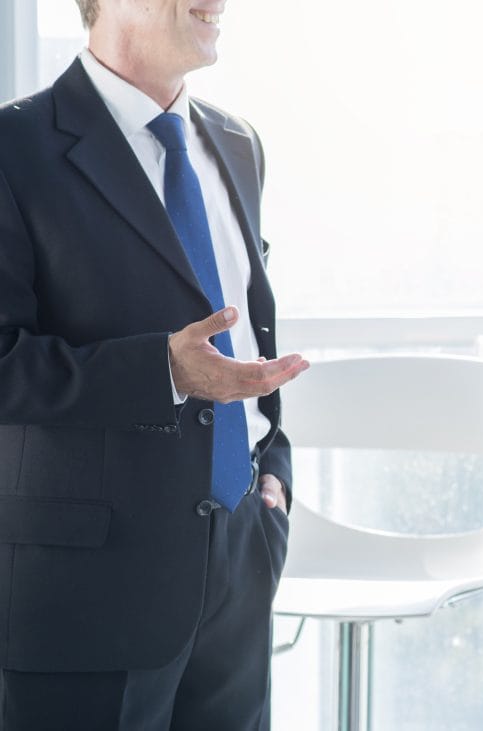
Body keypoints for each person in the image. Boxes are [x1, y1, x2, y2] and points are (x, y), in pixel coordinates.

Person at [0, 0, 308, 727]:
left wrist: (274, 478)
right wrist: (164, 373)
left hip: (238, 562)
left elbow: (247, 326)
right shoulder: (14, 148)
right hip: (86, 595)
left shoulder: (238, 145)